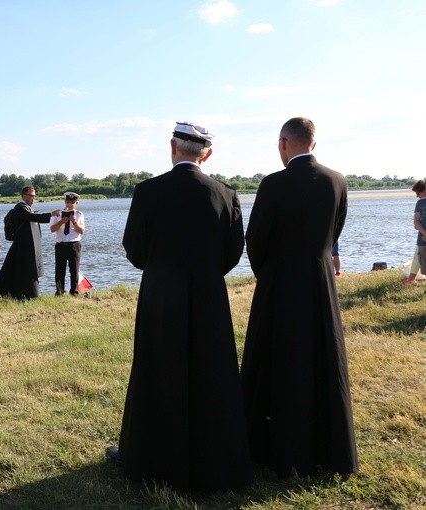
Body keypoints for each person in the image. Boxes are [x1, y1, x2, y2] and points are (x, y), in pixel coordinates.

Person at [107, 122, 252, 491]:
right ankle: (215, 456)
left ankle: (148, 455)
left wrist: (161, 270)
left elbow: (134, 248)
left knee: (157, 368)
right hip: (209, 295)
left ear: (172, 147)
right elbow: (234, 251)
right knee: (212, 371)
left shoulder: (148, 191)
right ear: (207, 153)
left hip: (160, 294)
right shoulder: (225, 193)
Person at [240, 117, 357, 478]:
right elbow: (335, 230)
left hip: (279, 282)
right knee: (323, 359)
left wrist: (269, 273)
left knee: (277, 360)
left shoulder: (273, 183)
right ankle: (327, 449)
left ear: (284, 143)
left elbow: (255, 238)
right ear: (314, 144)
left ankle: (268, 447)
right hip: (321, 283)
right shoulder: (337, 181)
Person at [0, 186, 62, 300]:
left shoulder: (28, 207)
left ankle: (24, 295)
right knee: (22, 271)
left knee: (24, 271)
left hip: (28, 246)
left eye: (34, 196)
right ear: (24, 195)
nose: (33, 198)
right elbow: (33, 217)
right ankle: (26, 295)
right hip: (22, 247)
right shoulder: (20, 208)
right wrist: (51, 214)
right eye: (31, 195)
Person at [49, 192, 85, 296]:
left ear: (76, 203)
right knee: (60, 270)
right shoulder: (58, 214)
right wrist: (61, 222)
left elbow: (82, 231)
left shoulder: (79, 215)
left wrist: (74, 222)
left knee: (74, 270)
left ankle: (74, 292)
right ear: (65, 202)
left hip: (74, 245)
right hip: (61, 245)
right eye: (68, 202)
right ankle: (59, 291)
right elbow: (52, 229)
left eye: (72, 202)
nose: (69, 204)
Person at [403, 179, 426, 284]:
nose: (417, 195)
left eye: (418, 193)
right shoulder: (420, 203)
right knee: (419, 256)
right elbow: (416, 222)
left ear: (424, 190)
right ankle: (411, 279)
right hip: (422, 237)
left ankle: (411, 279)